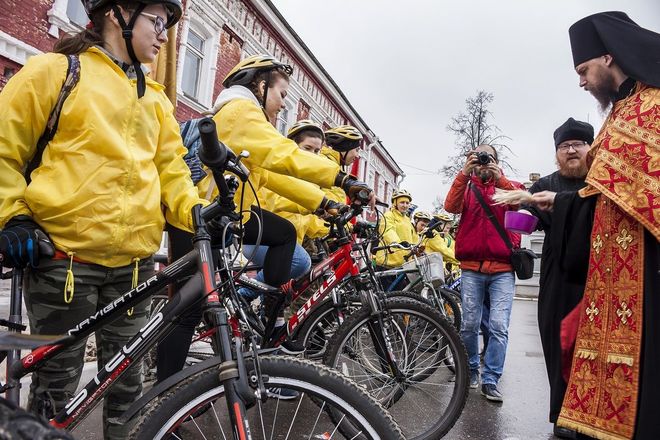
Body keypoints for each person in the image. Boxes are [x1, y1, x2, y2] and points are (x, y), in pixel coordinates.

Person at [0, 1, 208, 438]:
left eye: (168, 25)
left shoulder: (154, 100)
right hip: (63, 262)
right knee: (56, 390)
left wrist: (198, 215)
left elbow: (171, 170)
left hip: (134, 269)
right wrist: (13, 216)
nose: (165, 35)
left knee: (127, 388)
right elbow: (4, 148)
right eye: (157, 21)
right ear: (117, 14)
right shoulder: (57, 72)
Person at [529, 12, 659, 440]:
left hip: (647, 270)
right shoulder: (624, 108)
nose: (581, 82)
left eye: (584, 70)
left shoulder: (651, 105)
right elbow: (604, 195)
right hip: (612, 273)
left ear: (608, 56)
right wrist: (563, 202)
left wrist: (564, 202)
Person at [207, 54, 372, 327]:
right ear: (260, 86)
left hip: (230, 214)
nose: (284, 104)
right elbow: (286, 156)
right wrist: (343, 180)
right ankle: (265, 307)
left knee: (286, 244)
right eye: (281, 94)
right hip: (221, 213)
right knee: (288, 242)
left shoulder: (240, 114)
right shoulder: (242, 112)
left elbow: (274, 178)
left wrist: (322, 203)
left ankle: (264, 312)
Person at [520, 117, 593, 439]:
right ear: (556, 154)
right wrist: (518, 211)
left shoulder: (602, 180)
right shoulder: (546, 184)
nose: (572, 150)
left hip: (599, 273)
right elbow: (525, 222)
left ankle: (593, 414)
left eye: (578, 144)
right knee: (558, 342)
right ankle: (562, 413)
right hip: (559, 273)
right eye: (565, 146)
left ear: (591, 149)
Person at [444, 144, 525, 402]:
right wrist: (464, 173)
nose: (482, 161)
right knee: (469, 324)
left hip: (503, 269)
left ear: (496, 161)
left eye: (487, 157)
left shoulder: (507, 187)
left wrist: (499, 177)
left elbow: (521, 204)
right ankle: (471, 371)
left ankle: (491, 379)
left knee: (499, 326)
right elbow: (450, 207)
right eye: (477, 157)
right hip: (472, 268)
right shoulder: (466, 188)